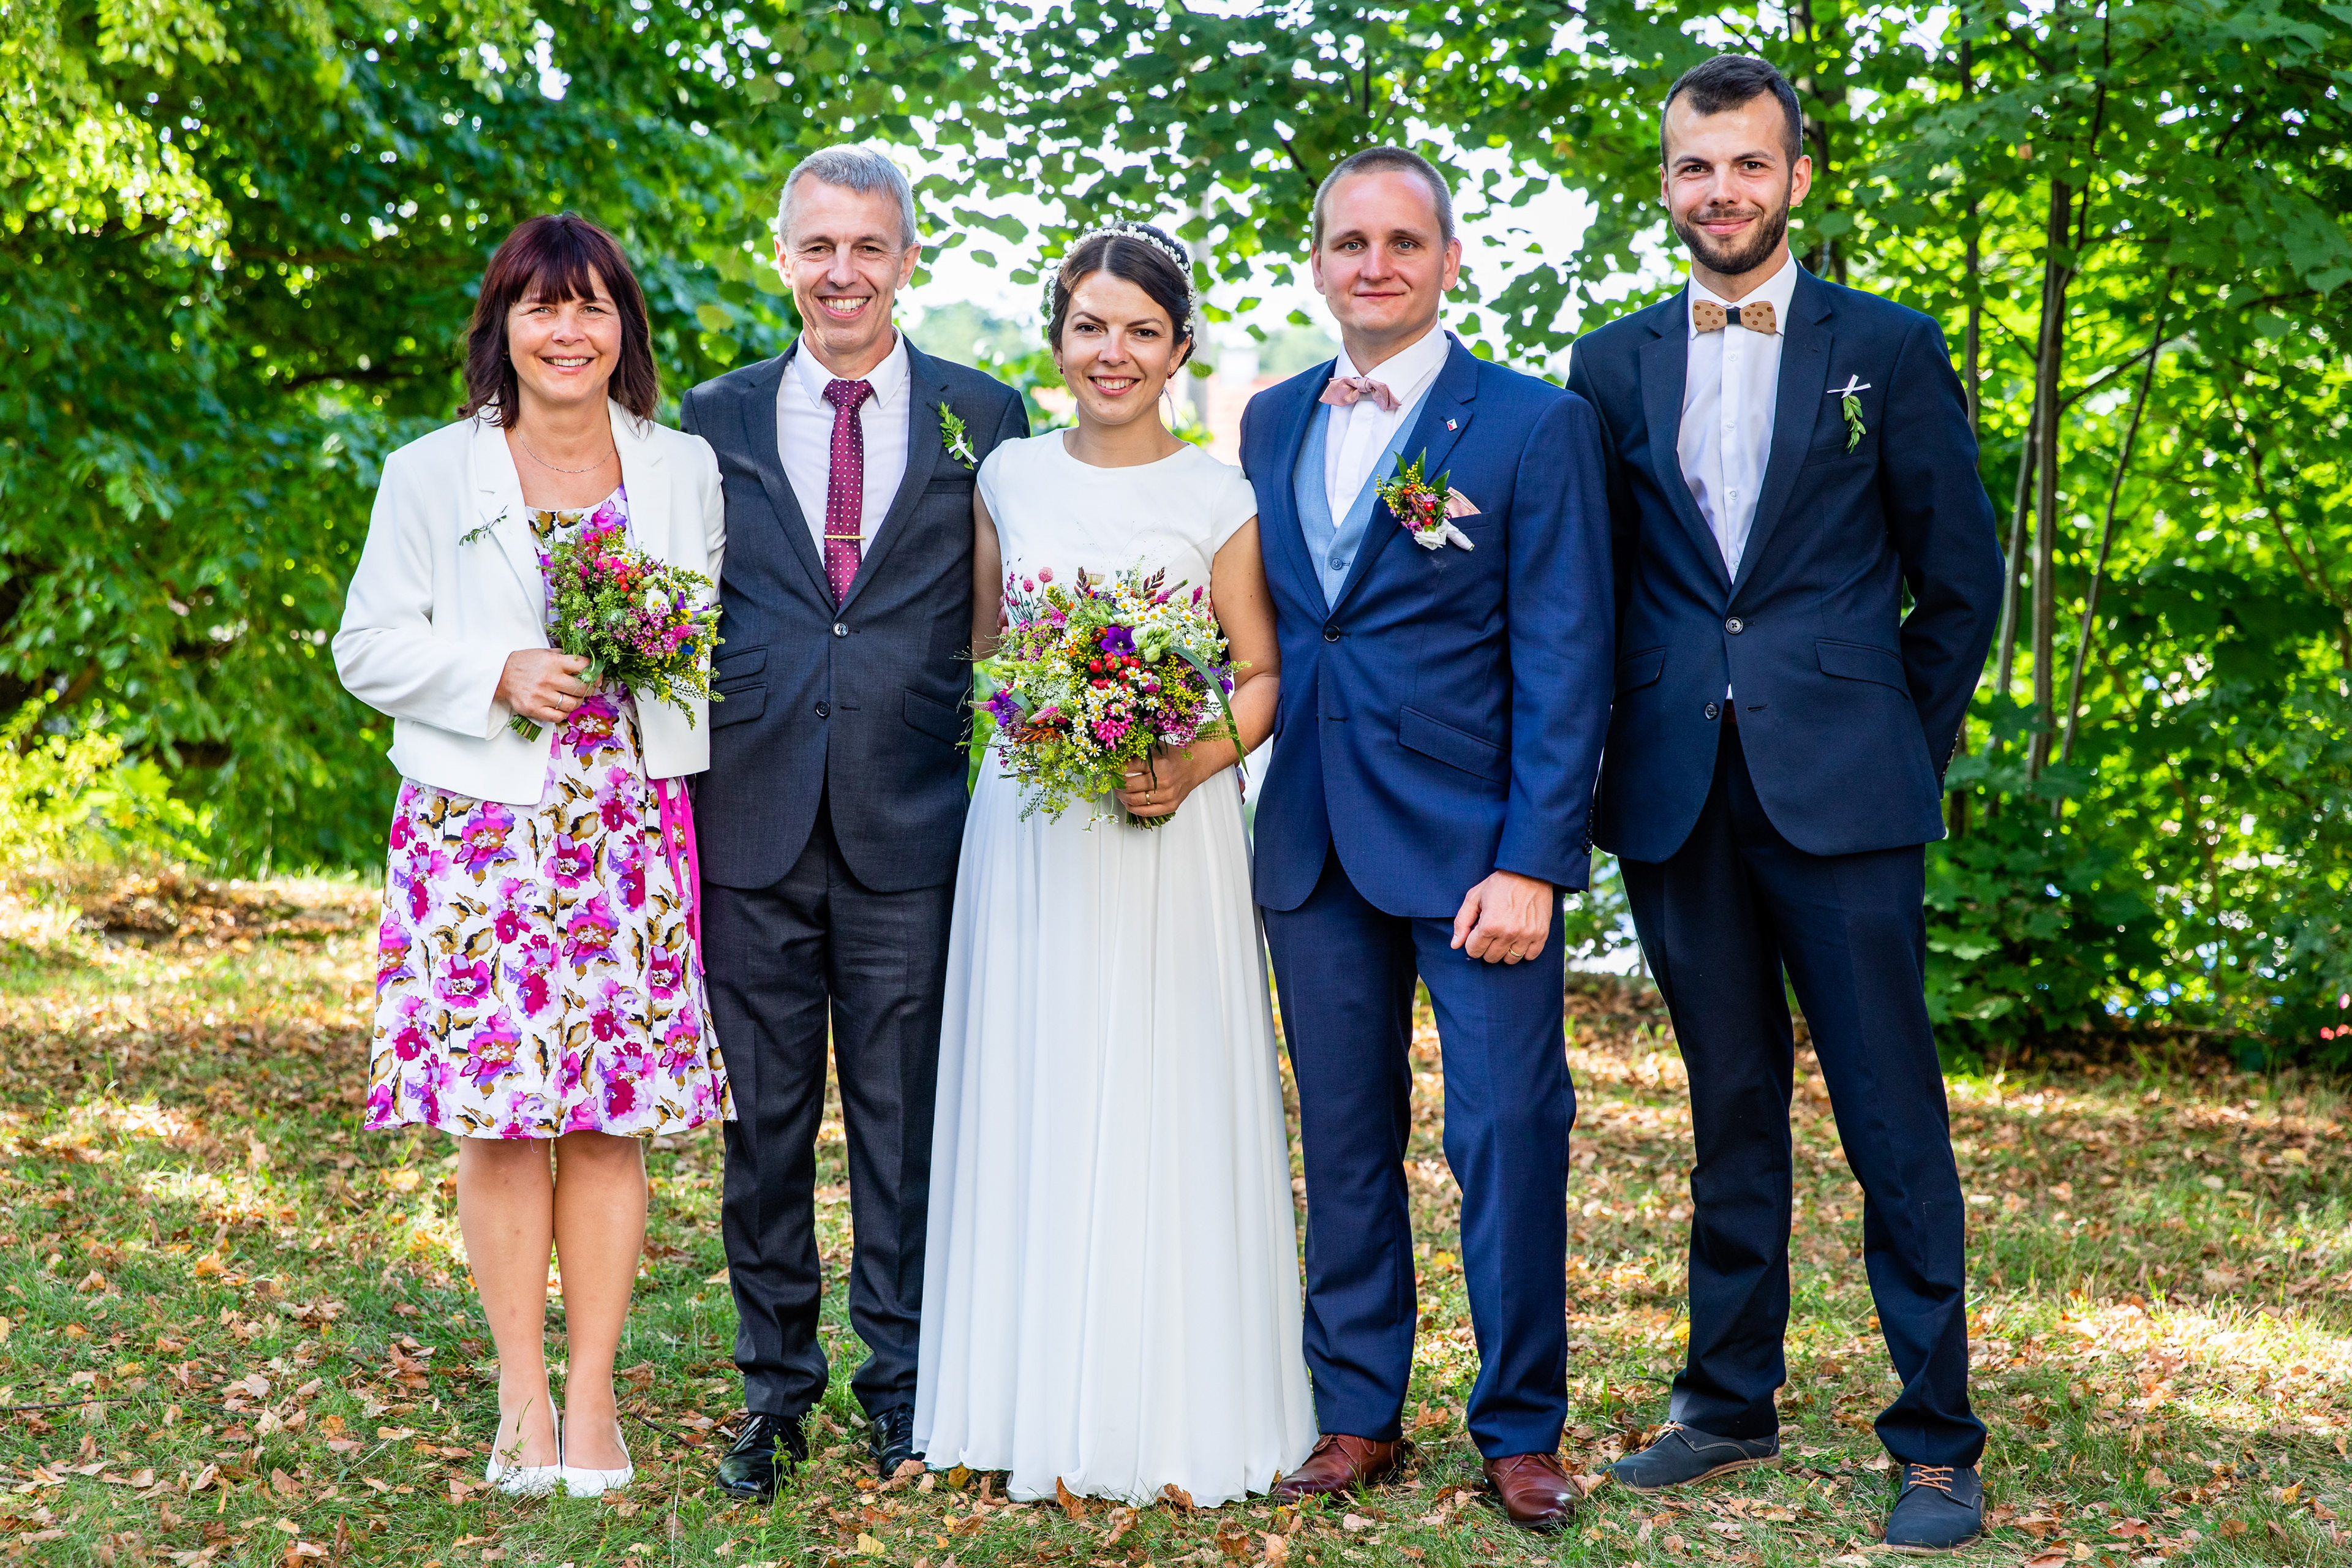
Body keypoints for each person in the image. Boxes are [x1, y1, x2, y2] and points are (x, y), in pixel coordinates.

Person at [1564, 55, 2005, 1553]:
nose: (1722, 190)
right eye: (1697, 166)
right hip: (1678, 788)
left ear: (1796, 177)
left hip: (1848, 794)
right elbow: (1601, 587)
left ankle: (1936, 1439)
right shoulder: (1609, 364)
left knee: (1892, 1114)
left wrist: (1891, 747)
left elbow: (1960, 582)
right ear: (1667, 182)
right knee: (1730, 1104)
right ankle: (1725, 1400)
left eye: (1749, 163)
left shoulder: (1888, 345)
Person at [913, 222, 1317, 1507]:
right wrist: (1044, 718)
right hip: (1032, 826)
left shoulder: (1218, 495)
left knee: (1164, 1079)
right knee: (1033, 1075)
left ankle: (1176, 1401)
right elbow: (988, 648)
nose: (1114, 351)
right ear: (1057, 341)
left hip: (1169, 829)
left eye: (1142, 330)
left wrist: (1188, 764)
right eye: (1090, 326)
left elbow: (1262, 673)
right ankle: (1018, 1394)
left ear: (1179, 347)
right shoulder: (1010, 477)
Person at [1240, 148, 1614, 1531]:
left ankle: (1520, 1428)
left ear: (1450, 261)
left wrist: (1535, 858)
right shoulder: (1270, 420)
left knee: (1508, 1131)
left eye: (1404, 241)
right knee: (1345, 1136)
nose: (1376, 264)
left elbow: (1568, 654)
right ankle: (1357, 1411)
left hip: (1475, 853)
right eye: (1350, 242)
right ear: (1318, 264)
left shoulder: (1531, 424)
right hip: (1311, 837)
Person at [335, 213, 729, 1501]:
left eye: (593, 305)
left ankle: (596, 1400)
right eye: (541, 306)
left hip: (626, 830)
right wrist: (495, 671)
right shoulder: (430, 471)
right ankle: (522, 1399)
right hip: (479, 835)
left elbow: (710, 631)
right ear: (502, 327)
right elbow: (365, 645)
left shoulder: (681, 468)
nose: (569, 330)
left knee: (609, 1118)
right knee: (502, 1123)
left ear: (626, 328)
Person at [681, 146, 1029, 1497]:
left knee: (904, 1127)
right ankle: (775, 1394)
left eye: (868, 246)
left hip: (913, 821)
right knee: (763, 1130)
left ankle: (905, 1390)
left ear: (906, 259)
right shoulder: (709, 418)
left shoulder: (984, 414)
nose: (843, 272)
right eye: (819, 246)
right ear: (784, 258)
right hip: (749, 816)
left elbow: (1016, 602)